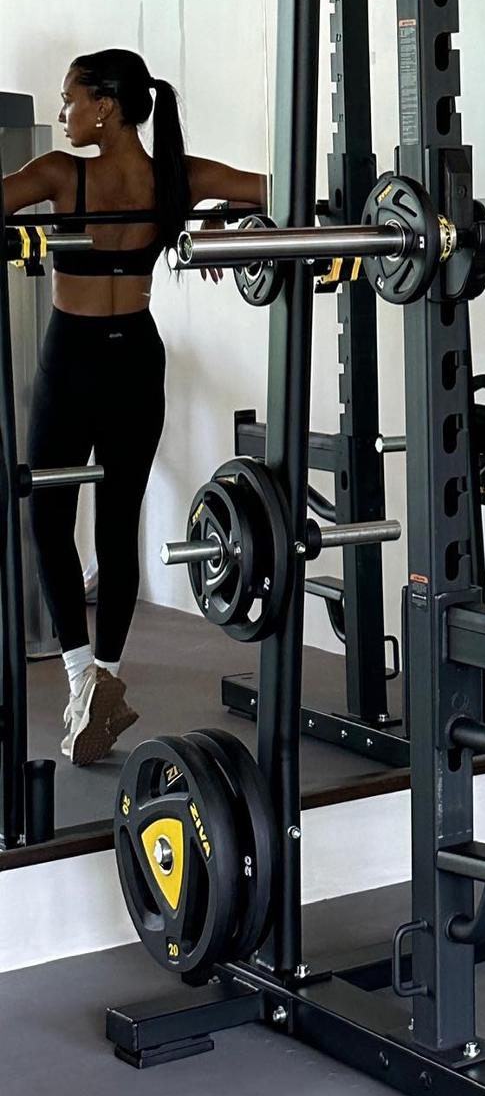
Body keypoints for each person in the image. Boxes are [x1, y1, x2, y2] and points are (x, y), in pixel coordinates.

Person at [1, 48, 265, 767]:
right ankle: (105, 677)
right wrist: (224, 222)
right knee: (118, 526)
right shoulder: (176, 175)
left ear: (105, 106)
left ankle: (82, 682)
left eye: (70, 98)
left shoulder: (63, 174)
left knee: (48, 519)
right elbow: (275, 188)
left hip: (72, 361)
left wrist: (219, 227)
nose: (63, 112)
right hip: (136, 362)